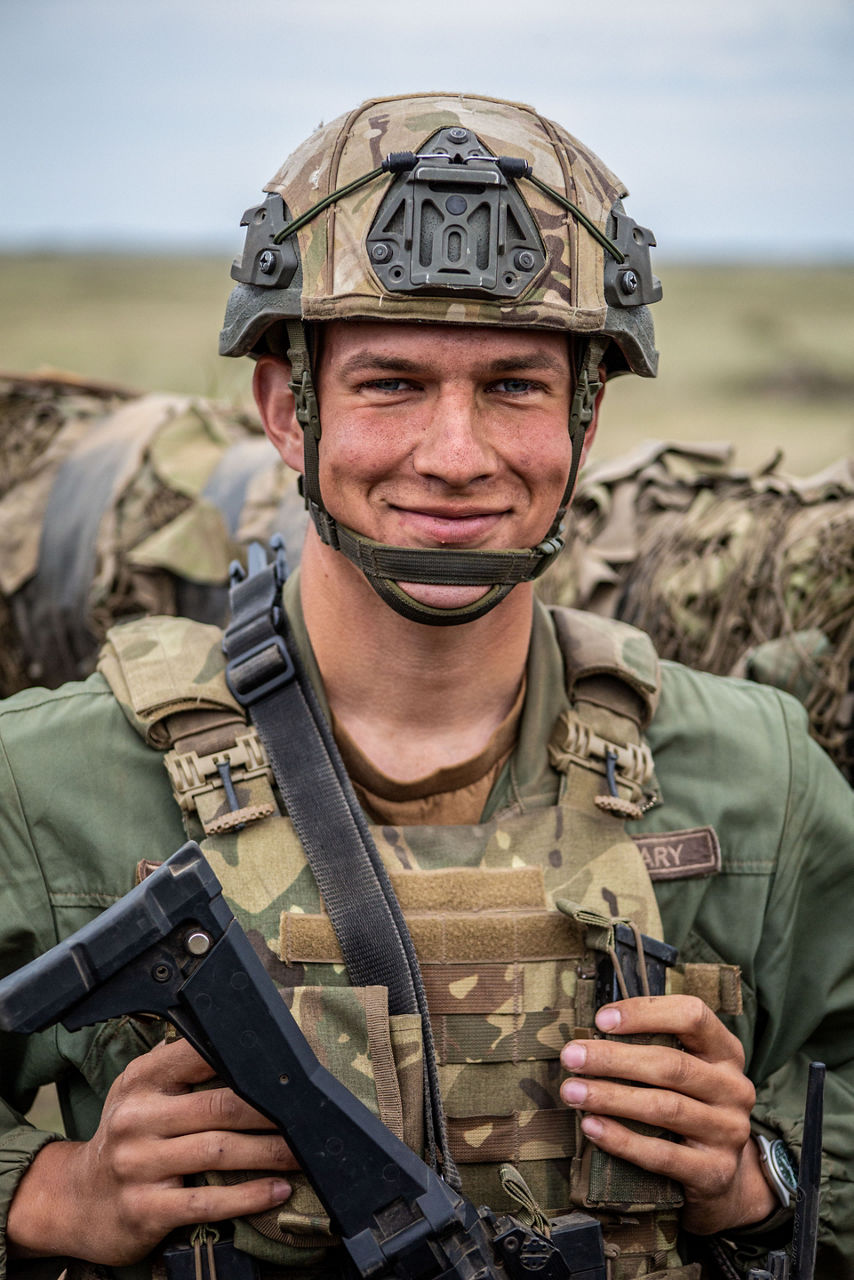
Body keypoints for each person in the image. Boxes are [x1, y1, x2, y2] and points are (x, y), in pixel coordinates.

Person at [0, 92, 851, 1280]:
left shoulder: (756, 783)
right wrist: (50, 1190)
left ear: (586, 417)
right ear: (285, 411)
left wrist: (759, 1176)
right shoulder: (51, 782)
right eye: (390, 382)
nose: (454, 455)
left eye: (513, 385)